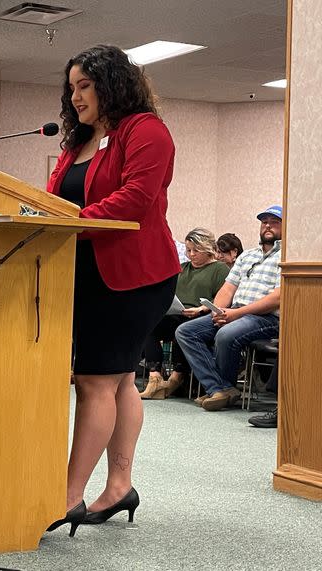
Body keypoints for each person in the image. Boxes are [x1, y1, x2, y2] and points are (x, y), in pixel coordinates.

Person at [44, 45, 180, 536]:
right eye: (72, 87)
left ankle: (68, 495)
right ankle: (119, 485)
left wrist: (70, 222)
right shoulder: (77, 139)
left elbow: (136, 200)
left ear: (112, 84)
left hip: (135, 275)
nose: (76, 96)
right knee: (119, 379)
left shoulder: (145, 130)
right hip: (86, 271)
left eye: (86, 86)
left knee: (95, 380)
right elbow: (56, 198)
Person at [174, 206, 282, 411]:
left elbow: (277, 298)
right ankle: (220, 389)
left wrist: (236, 314)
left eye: (274, 221)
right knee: (186, 331)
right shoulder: (248, 256)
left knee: (225, 334)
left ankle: (222, 389)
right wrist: (219, 311)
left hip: (266, 318)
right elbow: (228, 288)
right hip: (235, 313)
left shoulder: (286, 256)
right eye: (264, 221)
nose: (267, 225)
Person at [140, 228, 229, 399]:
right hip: (177, 313)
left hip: (203, 316)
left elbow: (222, 301)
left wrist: (201, 309)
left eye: (196, 250)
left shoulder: (220, 269)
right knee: (148, 323)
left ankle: (177, 376)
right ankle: (155, 377)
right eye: (188, 250)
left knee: (184, 328)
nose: (191, 254)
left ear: (208, 249)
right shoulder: (182, 268)